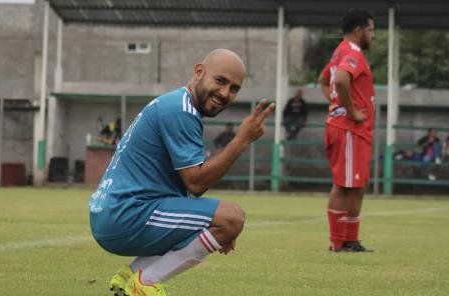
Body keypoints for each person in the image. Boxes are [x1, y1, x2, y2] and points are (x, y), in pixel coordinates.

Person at [89, 49, 275, 296]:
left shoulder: (175, 104)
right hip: (125, 215)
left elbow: (185, 188)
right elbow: (196, 183)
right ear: (199, 72)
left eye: (234, 88)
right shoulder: (181, 110)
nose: (225, 93)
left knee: (223, 220)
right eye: (220, 81)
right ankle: (146, 281)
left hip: (112, 213)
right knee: (233, 218)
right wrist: (241, 140)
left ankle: (131, 276)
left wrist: (210, 223)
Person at [319, 9, 375, 252]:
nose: (373, 35)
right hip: (349, 129)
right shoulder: (351, 51)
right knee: (344, 184)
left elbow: (324, 81)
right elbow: (341, 80)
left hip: (350, 130)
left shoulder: (338, 52)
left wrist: (334, 105)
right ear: (359, 30)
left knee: (356, 184)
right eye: (371, 30)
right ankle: (338, 242)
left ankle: (349, 240)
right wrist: (350, 111)